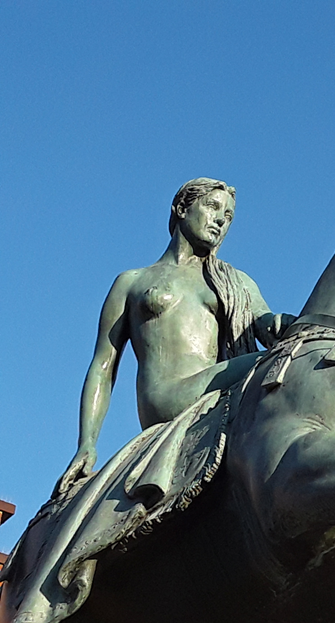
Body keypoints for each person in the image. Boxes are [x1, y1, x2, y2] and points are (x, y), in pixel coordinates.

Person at [56, 177, 293, 495]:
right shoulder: (133, 282)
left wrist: (279, 323)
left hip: (212, 391)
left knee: (291, 359)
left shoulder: (232, 282)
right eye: (212, 207)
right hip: (165, 400)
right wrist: (87, 444)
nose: (221, 220)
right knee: (271, 363)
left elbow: (263, 320)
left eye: (229, 216)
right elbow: (103, 366)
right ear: (182, 208)